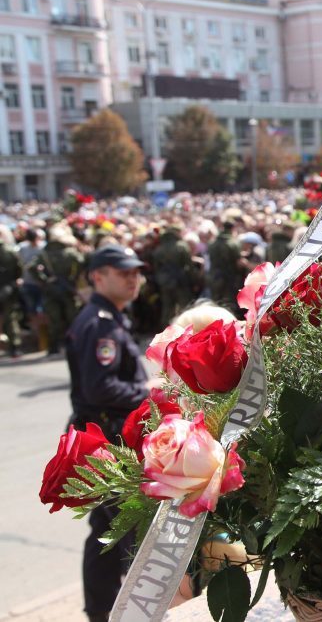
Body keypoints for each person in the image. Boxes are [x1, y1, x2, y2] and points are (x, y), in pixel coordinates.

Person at [65, 245, 149, 622]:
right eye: (122, 271)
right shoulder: (100, 322)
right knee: (119, 529)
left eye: (135, 271)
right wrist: (149, 394)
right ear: (97, 276)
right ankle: (111, 611)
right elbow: (100, 387)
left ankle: (104, 610)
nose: (132, 278)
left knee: (110, 528)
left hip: (103, 432)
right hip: (106, 435)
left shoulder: (110, 317)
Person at [30, 226, 85, 355]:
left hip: (51, 289)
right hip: (67, 288)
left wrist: (44, 280)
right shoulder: (69, 251)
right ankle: (75, 345)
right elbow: (82, 262)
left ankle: (54, 347)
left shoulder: (44, 253)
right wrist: (74, 277)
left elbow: (31, 267)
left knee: (54, 320)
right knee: (72, 317)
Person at [152, 225, 196, 327]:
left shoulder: (159, 249)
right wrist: (194, 280)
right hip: (180, 280)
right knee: (184, 307)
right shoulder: (181, 246)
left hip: (165, 281)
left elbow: (156, 268)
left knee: (167, 307)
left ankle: (166, 330)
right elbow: (189, 265)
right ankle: (186, 329)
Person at [207, 219, 243, 310]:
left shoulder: (212, 243)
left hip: (214, 277)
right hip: (229, 278)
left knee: (215, 304)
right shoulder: (233, 243)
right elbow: (238, 263)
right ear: (233, 228)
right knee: (228, 305)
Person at [0, 226, 23, 357]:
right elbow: (19, 269)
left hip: (7, 287)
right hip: (8, 288)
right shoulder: (10, 251)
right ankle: (14, 346)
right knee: (11, 318)